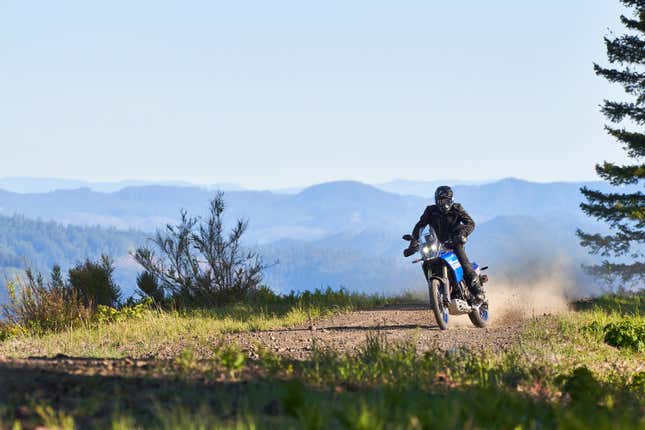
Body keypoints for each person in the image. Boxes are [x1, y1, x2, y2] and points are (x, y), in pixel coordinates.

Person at [408, 185, 484, 300]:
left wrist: (462, 234)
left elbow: (470, 223)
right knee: (426, 262)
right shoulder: (430, 211)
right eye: (440, 200)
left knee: (464, 263)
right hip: (436, 244)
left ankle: (478, 292)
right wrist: (414, 242)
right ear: (436, 201)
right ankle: (437, 291)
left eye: (446, 200)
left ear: (451, 199)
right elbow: (420, 226)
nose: (443, 204)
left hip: (455, 242)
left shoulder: (457, 208)